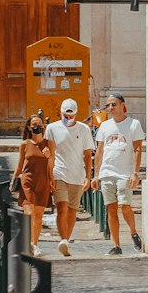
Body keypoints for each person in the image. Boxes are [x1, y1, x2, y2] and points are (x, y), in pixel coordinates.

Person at [92, 92, 144, 255]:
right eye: (108, 105)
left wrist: (135, 173)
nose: (110, 108)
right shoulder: (104, 126)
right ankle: (117, 245)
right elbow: (99, 152)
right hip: (107, 172)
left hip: (124, 173)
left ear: (122, 105)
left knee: (124, 205)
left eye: (113, 104)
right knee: (111, 208)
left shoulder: (133, 124)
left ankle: (133, 232)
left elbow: (137, 149)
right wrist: (96, 175)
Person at [44, 98, 94, 257]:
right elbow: (51, 154)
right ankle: (63, 239)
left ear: (76, 114)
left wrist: (88, 176)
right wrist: (49, 175)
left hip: (77, 175)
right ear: (61, 113)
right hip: (59, 173)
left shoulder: (84, 129)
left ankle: (66, 241)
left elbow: (87, 155)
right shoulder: (52, 128)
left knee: (72, 211)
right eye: (65, 115)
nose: (67, 118)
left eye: (70, 115)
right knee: (62, 208)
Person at [12, 113, 53, 257]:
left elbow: (51, 166)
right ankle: (27, 243)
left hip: (43, 182)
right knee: (29, 214)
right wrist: (14, 181)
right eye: (34, 124)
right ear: (29, 127)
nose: (37, 127)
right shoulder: (24, 145)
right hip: (28, 181)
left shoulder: (49, 144)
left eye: (39, 124)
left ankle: (34, 244)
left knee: (39, 216)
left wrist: (49, 157)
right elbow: (19, 166)